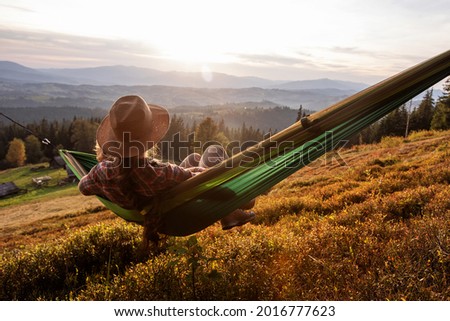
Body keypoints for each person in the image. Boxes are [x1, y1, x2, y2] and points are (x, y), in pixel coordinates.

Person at [78, 95, 255, 233]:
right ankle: (229, 212)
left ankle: (229, 215)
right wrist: (241, 194)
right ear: (149, 137)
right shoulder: (159, 174)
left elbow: (83, 187)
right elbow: (202, 182)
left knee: (193, 157)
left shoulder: (100, 173)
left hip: (162, 203)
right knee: (213, 151)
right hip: (181, 209)